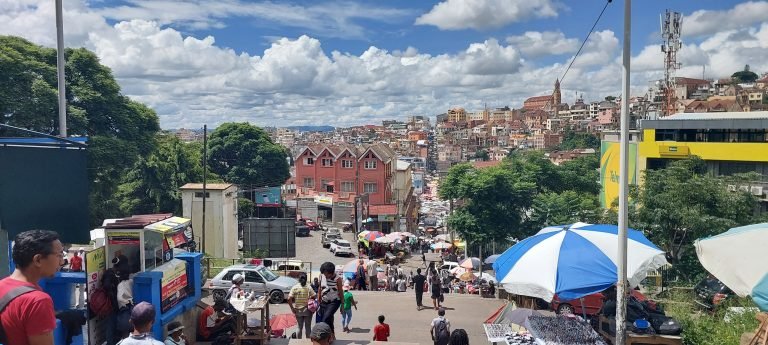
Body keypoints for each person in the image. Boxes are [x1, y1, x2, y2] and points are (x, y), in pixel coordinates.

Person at [0, 230, 62, 345]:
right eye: (59, 255)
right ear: (38, 260)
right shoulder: (38, 301)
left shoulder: (1, 285)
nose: (62, 262)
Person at [316, 262, 343, 339]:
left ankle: (324, 337)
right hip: (324, 301)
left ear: (331, 273)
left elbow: (341, 291)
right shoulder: (321, 276)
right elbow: (319, 288)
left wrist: (342, 305)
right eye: (323, 273)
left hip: (334, 301)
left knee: (325, 319)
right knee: (329, 319)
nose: (325, 275)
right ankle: (333, 336)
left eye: (326, 274)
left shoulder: (338, 279)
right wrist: (318, 300)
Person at [288, 274, 316, 339]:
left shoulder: (295, 287)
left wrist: (292, 308)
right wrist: (310, 298)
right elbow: (314, 296)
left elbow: (289, 298)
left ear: (299, 279)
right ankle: (308, 342)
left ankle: (298, 342)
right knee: (308, 328)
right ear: (306, 279)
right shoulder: (308, 287)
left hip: (298, 310)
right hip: (307, 310)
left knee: (299, 327)